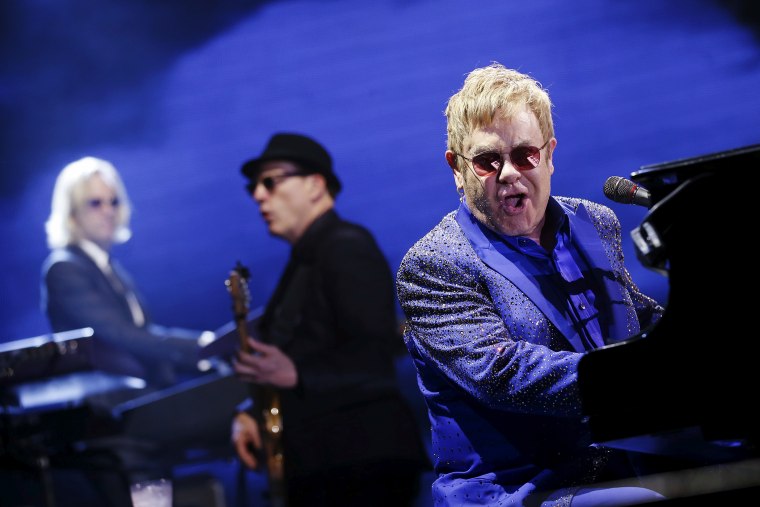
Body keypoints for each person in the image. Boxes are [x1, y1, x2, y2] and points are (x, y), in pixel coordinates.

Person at [395, 63, 668, 506]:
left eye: (525, 155)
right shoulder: (434, 265)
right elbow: (502, 374)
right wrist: (638, 374)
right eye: (487, 161)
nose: (508, 173)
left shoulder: (594, 222)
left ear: (550, 153)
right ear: (457, 168)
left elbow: (632, 317)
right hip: (514, 487)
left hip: (624, 461)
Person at [230, 132, 430, 507]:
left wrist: (296, 374)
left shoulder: (345, 246)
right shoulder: (306, 259)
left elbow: (375, 359)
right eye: (255, 186)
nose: (259, 195)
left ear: (315, 184)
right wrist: (253, 413)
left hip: (360, 465)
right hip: (327, 466)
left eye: (271, 181)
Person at [35, 155, 211, 506]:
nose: (108, 211)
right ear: (71, 212)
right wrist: (203, 348)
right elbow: (123, 336)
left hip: (141, 414)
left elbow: (143, 335)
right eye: (95, 202)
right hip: (113, 424)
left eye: (114, 201)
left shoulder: (110, 269)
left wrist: (211, 359)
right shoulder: (65, 269)